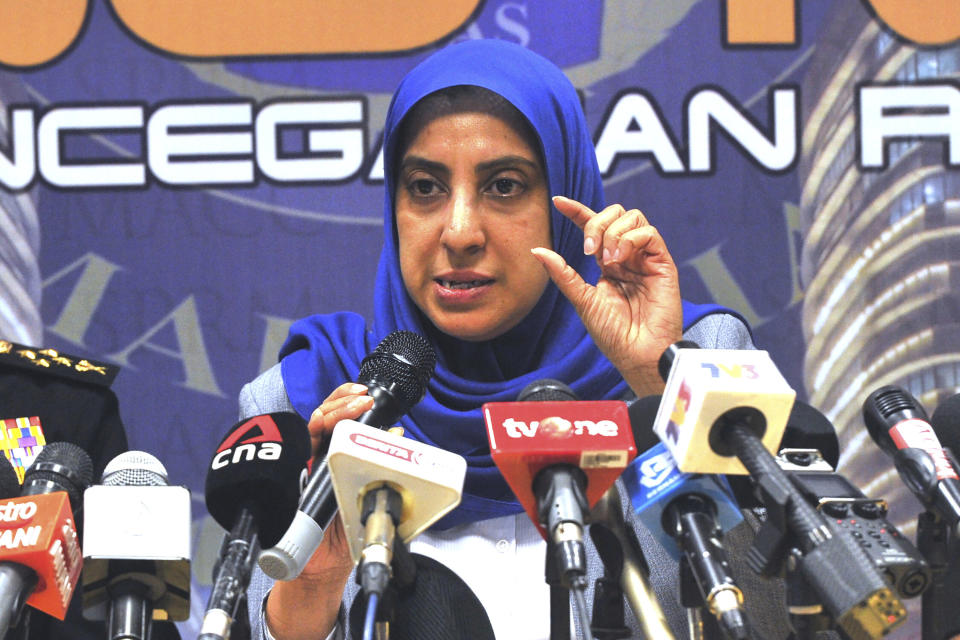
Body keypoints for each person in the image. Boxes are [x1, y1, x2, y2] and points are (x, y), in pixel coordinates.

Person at [241, 39, 786, 639]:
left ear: (564, 197)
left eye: (504, 186)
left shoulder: (698, 360)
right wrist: (314, 586)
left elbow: (764, 623)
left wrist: (654, 385)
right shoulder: (311, 396)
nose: (460, 231)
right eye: (425, 187)